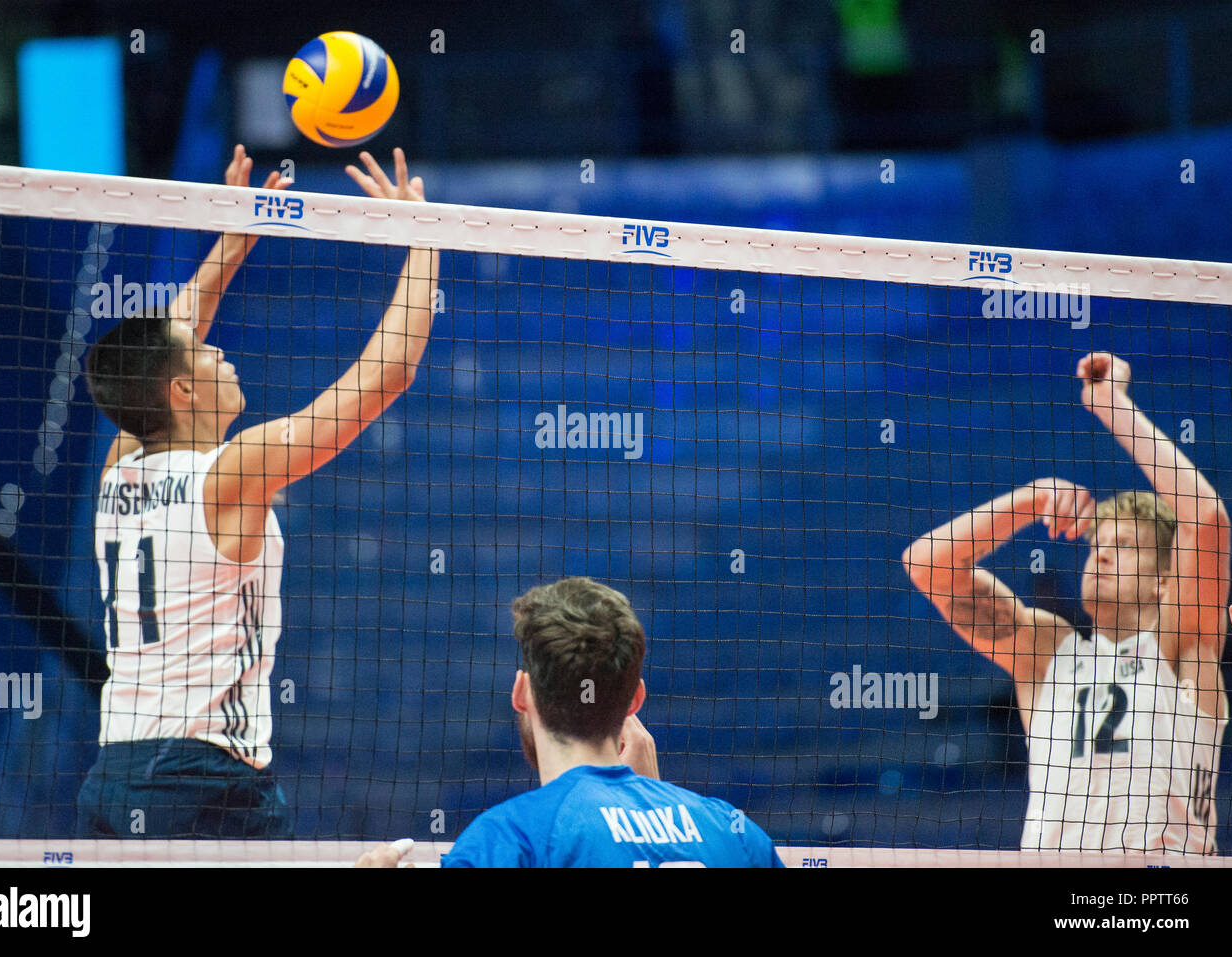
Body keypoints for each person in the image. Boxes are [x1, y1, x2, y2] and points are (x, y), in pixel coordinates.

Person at [77, 145, 439, 837]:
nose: (219, 350)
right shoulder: (232, 471)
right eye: (206, 354)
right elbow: (386, 373)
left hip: (113, 774)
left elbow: (168, 342)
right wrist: (425, 235)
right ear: (183, 391)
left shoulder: (119, 468)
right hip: (201, 781)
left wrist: (235, 239)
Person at [902, 351, 1230, 853]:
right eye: (1097, 546)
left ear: (1166, 581)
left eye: (1121, 547)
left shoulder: (1183, 648)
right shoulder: (1047, 650)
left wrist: (1109, 403)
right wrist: (1030, 500)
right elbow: (927, 565)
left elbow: (1205, 520)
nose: (1099, 558)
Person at [398, 577, 782, 867]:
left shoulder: (507, 842)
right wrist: (649, 800)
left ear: (521, 693)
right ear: (635, 699)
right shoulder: (737, 834)